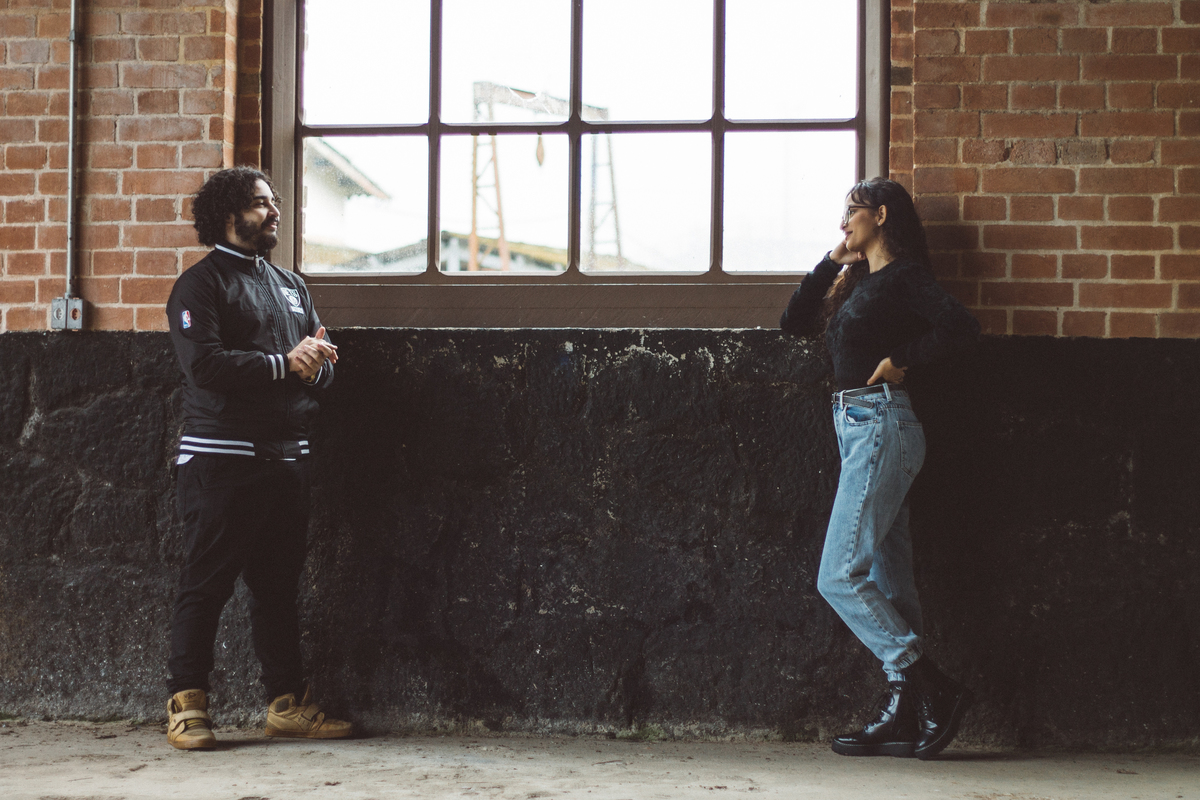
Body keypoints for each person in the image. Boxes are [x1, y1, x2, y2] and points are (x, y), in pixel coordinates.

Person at [780, 177, 980, 760]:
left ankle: (931, 684)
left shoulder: (905, 277)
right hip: (859, 428)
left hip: (881, 422)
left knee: (839, 576)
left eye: (852, 212)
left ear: (882, 215)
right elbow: (792, 322)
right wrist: (830, 261)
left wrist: (901, 359)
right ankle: (907, 711)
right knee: (892, 583)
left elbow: (960, 326)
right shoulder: (859, 281)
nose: (843, 222)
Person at [163, 167, 350, 750]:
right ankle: (187, 705)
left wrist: (316, 366)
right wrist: (285, 363)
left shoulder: (291, 284)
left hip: (287, 459)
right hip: (222, 459)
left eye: (274, 201)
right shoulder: (199, 286)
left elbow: (319, 362)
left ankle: (286, 705)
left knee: (277, 589)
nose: (274, 212)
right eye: (260, 203)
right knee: (206, 585)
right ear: (228, 214)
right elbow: (205, 367)